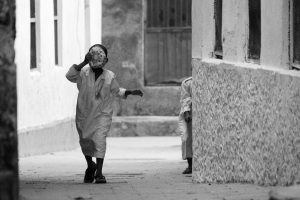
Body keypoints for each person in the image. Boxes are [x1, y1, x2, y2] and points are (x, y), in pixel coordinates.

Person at [66, 44, 143, 184]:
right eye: (93, 55)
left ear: (105, 60)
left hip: (102, 114)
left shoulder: (109, 76)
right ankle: (90, 165)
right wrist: (83, 62)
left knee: (99, 139)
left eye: (99, 56)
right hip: (84, 113)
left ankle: (99, 173)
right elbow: (69, 76)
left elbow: (116, 91)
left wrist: (130, 92)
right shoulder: (83, 73)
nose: (96, 58)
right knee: (86, 140)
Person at [178, 77, 192, 174]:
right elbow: (185, 99)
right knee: (186, 138)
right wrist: (186, 112)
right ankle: (190, 164)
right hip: (189, 114)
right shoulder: (187, 83)